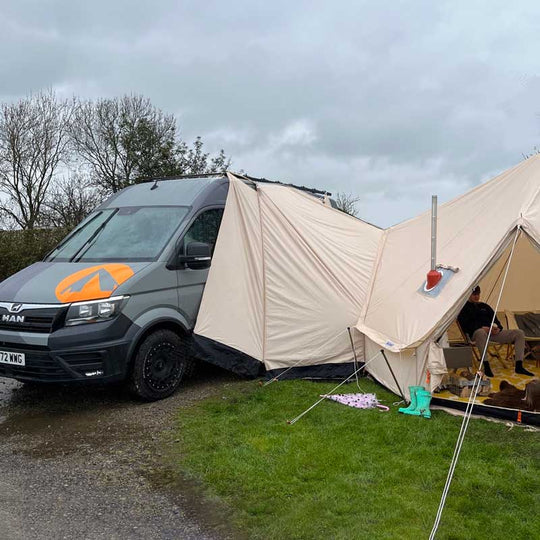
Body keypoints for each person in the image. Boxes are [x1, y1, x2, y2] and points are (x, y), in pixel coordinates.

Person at [457, 285, 534, 377]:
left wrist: (498, 328)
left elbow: (497, 321)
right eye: (474, 294)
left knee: (519, 333)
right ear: (468, 294)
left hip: (492, 334)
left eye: (478, 294)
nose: (477, 296)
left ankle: (519, 366)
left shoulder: (484, 306)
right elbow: (465, 326)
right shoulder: (463, 308)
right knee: (481, 332)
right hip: (476, 335)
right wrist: (482, 328)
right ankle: (486, 365)